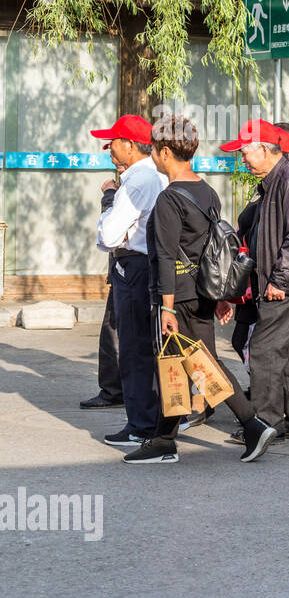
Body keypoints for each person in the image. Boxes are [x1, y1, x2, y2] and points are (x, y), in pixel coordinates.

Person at [124, 114, 278, 464]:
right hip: (203, 292)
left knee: (201, 366)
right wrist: (221, 296)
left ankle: (251, 424)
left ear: (165, 152)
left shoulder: (169, 200)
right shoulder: (206, 192)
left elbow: (164, 256)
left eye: (153, 150)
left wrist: (165, 308)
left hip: (177, 296)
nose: (152, 155)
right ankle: (164, 438)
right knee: (177, 366)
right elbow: (213, 249)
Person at [216, 120, 289, 443]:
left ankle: (264, 424)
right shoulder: (274, 181)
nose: (242, 159)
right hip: (275, 283)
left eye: (245, 152)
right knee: (288, 354)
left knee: (262, 350)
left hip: (281, 286)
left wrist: (279, 280)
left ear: (263, 148)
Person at [93, 114, 169, 449]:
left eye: (114, 142)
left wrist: (109, 204)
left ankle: (141, 424)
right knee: (144, 347)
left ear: (130, 145)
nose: (109, 148)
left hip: (133, 267)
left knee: (134, 348)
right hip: (148, 266)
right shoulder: (157, 176)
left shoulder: (137, 180)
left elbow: (109, 235)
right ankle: (149, 420)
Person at [82, 171, 124, 410]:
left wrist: (109, 195)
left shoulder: (138, 181)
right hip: (127, 271)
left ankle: (113, 391)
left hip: (132, 271)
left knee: (116, 335)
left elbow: (112, 230)